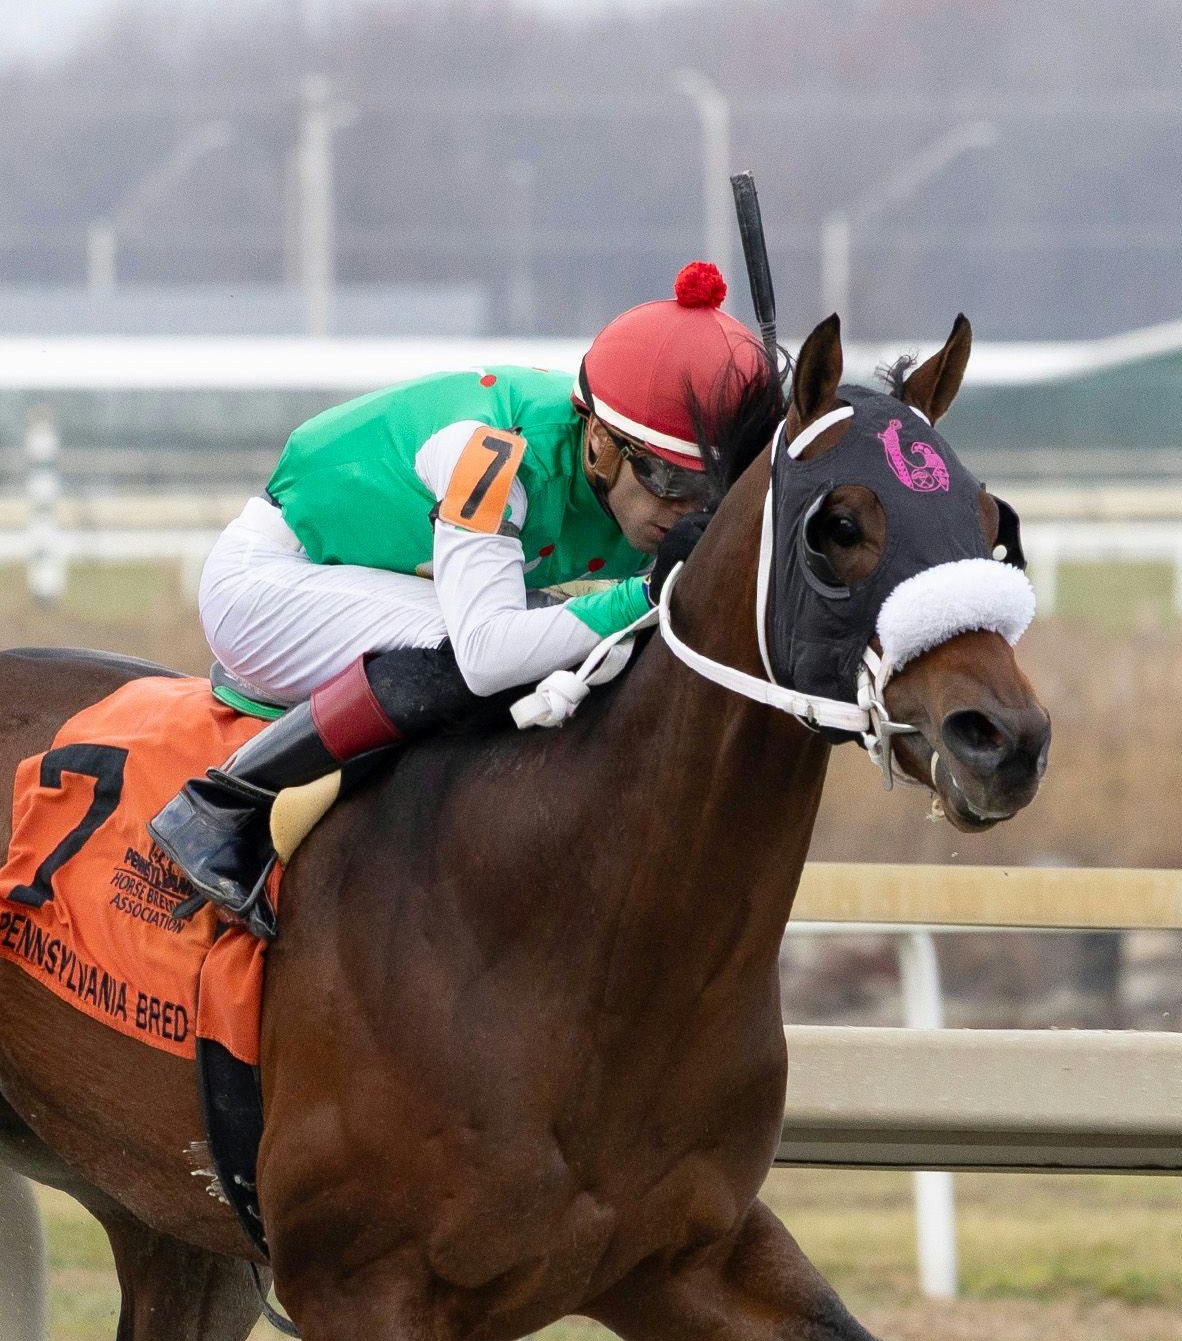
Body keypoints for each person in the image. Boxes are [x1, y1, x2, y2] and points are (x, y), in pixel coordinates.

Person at [148, 260, 773, 936]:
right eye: (670, 483)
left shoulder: (634, 475)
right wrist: (647, 591)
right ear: (599, 441)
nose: (686, 512)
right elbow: (485, 652)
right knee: (504, 646)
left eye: (709, 492)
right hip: (270, 585)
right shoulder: (492, 453)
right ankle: (222, 807)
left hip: (377, 584)